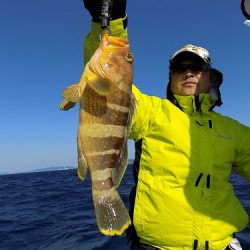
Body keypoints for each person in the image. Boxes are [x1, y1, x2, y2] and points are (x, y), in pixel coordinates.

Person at [82, 1, 250, 249]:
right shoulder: (153, 112)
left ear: (210, 76)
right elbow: (108, 85)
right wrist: (110, 20)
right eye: (180, 68)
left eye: (198, 68)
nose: (189, 72)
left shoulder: (235, 131)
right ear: (171, 79)